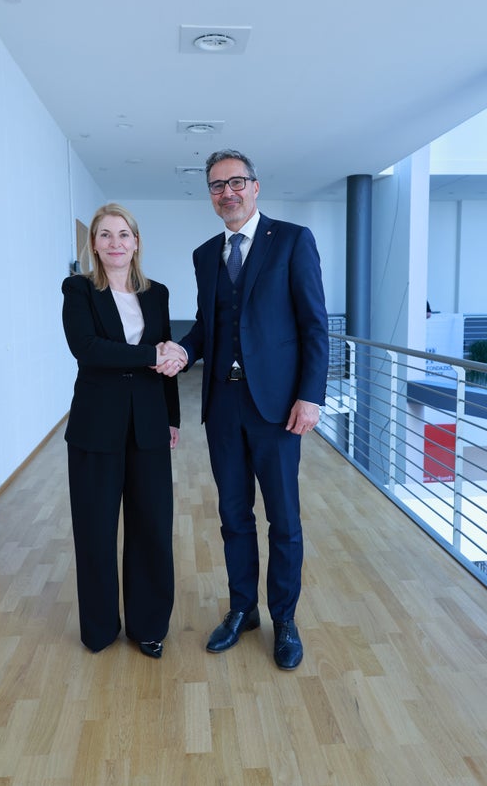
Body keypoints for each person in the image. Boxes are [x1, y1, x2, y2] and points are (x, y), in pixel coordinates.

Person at [158, 150, 329, 670]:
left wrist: (312, 395)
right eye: (216, 186)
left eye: (235, 182)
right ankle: (242, 610)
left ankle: (285, 619)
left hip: (278, 407)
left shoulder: (294, 240)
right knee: (233, 515)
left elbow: (314, 326)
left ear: (255, 186)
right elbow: (211, 327)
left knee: (284, 519)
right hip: (224, 406)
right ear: (209, 194)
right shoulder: (205, 254)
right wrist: (185, 350)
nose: (226, 192)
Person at [62, 203, 182, 658]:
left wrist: (171, 417)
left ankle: (148, 626)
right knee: (94, 530)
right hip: (96, 427)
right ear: (93, 243)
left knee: (152, 526)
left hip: (149, 423)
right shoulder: (78, 290)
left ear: (136, 242)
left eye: (124, 234)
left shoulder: (157, 293)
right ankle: (99, 628)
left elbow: (167, 356)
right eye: (106, 234)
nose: (116, 243)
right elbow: (88, 349)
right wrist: (151, 354)